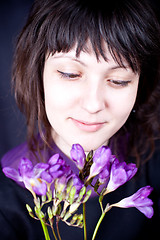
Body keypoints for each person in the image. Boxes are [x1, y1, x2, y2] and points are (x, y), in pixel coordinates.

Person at [0, 0, 160, 239]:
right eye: (70, 74)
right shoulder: (6, 201)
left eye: (118, 80)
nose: (93, 105)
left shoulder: (153, 161)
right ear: (38, 73)